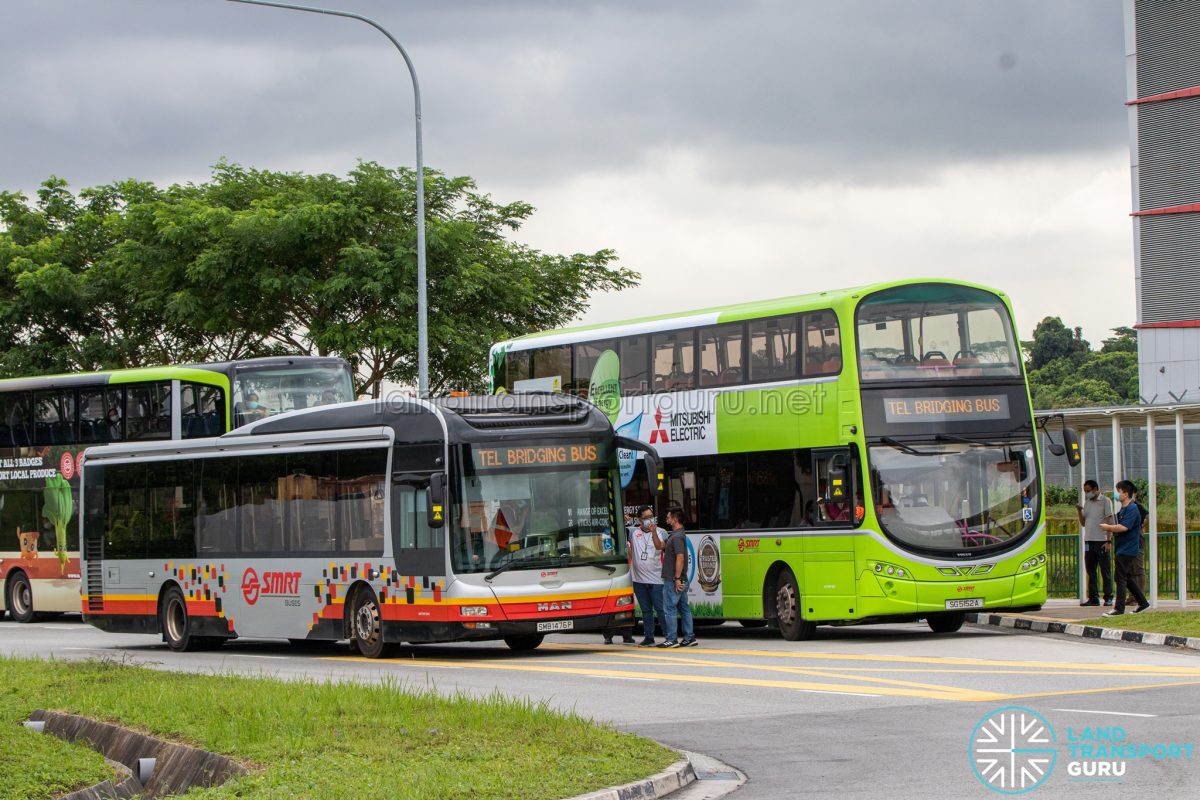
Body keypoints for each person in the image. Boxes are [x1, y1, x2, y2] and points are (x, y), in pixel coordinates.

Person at [1099, 480, 1150, 617]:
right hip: (1122, 547)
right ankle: (1143, 602)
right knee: (1126, 577)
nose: (1117, 494)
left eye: (1119, 491)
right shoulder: (1124, 509)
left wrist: (1107, 527)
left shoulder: (1132, 509)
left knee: (1120, 578)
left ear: (1126, 494)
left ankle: (1119, 608)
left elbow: (1124, 527)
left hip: (1127, 549)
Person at [618, 505, 665, 647]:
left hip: (657, 579)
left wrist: (654, 532)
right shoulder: (633, 532)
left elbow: (661, 547)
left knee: (661, 610)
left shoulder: (661, 532)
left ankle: (670, 636)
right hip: (639, 580)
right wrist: (623, 520)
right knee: (646, 611)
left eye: (651, 516)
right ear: (639, 520)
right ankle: (649, 637)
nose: (649, 520)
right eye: (646, 518)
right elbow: (618, 531)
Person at [658, 505, 697, 648]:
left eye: (668, 517)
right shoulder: (676, 535)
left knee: (669, 608)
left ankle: (671, 639)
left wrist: (676, 578)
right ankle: (689, 637)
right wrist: (653, 533)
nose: (666, 519)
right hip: (680, 578)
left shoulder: (677, 537)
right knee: (683, 608)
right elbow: (659, 546)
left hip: (673, 579)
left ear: (674, 519)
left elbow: (680, 558)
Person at [1076, 479, 1115, 607]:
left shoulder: (1105, 501)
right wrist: (1079, 511)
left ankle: (1108, 597)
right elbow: (1083, 523)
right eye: (1085, 491)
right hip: (1089, 540)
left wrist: (1108, 540)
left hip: (1101, 540)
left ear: (1095, 489)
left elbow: (1109, 521)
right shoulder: (1087, 503)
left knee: (1105, 570)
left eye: (1088, 491)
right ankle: (1093, 597)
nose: (1087, 493)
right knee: (1090, 569)